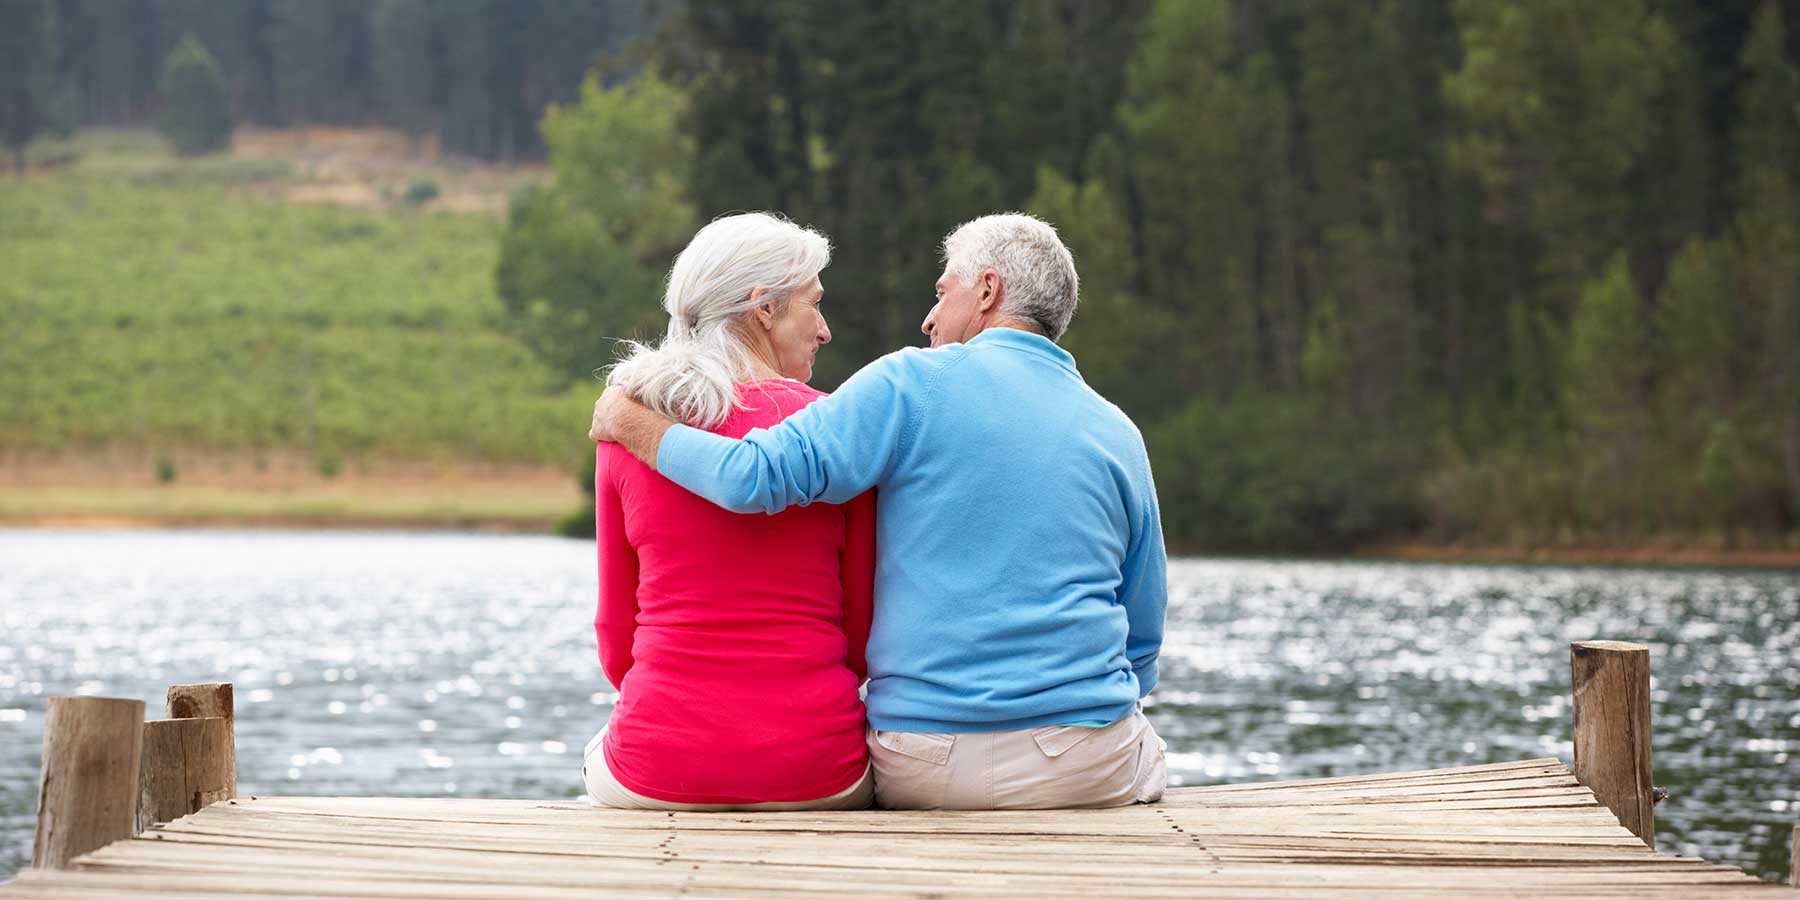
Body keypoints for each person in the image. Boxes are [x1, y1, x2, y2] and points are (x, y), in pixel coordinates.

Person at [590, 213, 1168, 810]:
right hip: (1083, 762)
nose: (929, 319)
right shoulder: (1118, 432)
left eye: (943, 292)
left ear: (988, 291)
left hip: (926, 761)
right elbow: (1143, 629)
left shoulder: (906, 386)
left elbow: (754, 475)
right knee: (1144, 746)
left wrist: (633, 423)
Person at [582, 212, 876, 811]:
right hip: (817, 769)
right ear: (762, 308)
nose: (824, 331)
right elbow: (860, 638)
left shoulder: (628, 428)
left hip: (656, 765)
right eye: (813, 305)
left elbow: (617, 643)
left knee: (593, 756)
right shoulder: (838, 431)